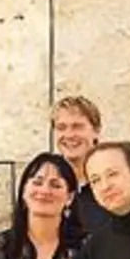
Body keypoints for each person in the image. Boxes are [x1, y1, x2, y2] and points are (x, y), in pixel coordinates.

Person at [52, 96, 110, 235]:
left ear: (96, 131)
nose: (69, 135)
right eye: (61, 127)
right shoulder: (44, 183)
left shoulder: (116, 179)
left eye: (77, 126)